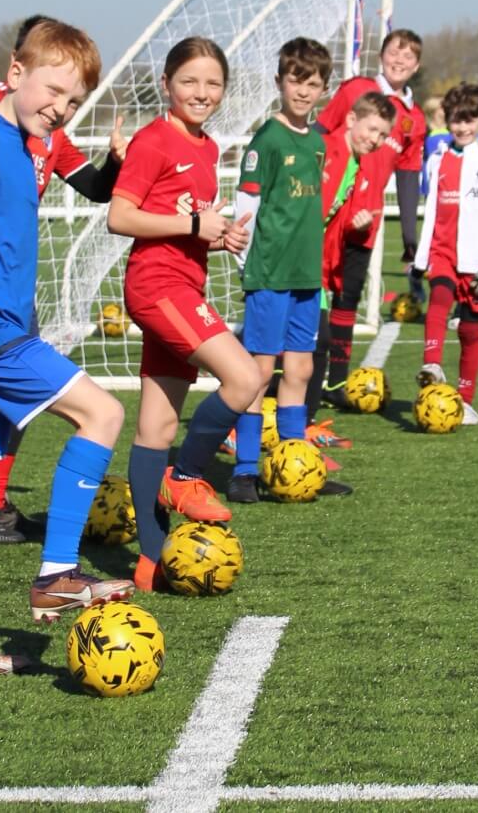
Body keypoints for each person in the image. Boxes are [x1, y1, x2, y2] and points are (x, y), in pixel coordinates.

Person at [0, 19, 133, 675]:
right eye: (52, 90)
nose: (60, 108)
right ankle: (58, 571)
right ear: (15, 74)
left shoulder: (25, 145)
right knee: (104, 414)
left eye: (72, 102)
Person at [107, 37, 261, 592]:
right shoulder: (153, 141)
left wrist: (216, 236)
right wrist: (195, 227)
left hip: (182, 280)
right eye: (190, 81)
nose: (202, 92)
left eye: (213, 83)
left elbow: (183, 219)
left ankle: (149, 560)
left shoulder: (208, 147)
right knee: (246, 376)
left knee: (158, 425)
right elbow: (121, 217)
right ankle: (188, 474)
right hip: (158, 287)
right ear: (168, 83)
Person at [228, 38, 332, 503]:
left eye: (313, 84)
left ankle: (294, 464)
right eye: (296, 81)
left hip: (307, 276)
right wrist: (243, 259)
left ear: (323, 88)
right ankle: (246, 469)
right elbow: (247, 202)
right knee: (258, 372)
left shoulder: (319, 142)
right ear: (279, 82)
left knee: (301, 369)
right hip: (270, 275)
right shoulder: (267, 140)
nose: (304, 92)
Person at [314, 30, 425, 402]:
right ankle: (291, 380)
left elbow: (409, 176)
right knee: (312, 299)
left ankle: (336, 383)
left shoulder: (414, 119)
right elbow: (318, 134)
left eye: (409, 56)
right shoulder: (353, 90)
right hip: (325, 217)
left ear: (416, 65)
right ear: (383, 54)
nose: (400, 60)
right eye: (395, 51)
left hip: (365, 220)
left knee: (347, 297)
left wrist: (411, 235)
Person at [413, 83, 478, 426]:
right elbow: (431, 209)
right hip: (443, 252)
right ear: (447, 119)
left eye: (469, 120)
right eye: (456, 120)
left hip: (477, 259)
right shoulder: (438, 158)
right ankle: (432, 364)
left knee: (470, 330)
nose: (462, 127)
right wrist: (422, 257)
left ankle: (466, 400)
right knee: (439, 298)